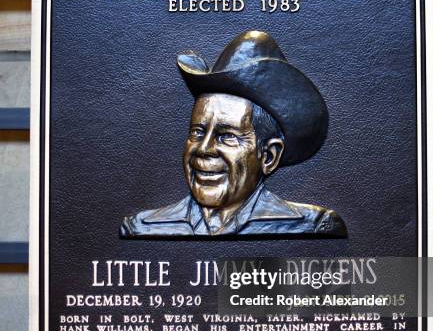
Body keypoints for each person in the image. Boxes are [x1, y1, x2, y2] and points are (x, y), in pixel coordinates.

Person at [120, 30, 346, 237]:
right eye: (197, 132)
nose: (204, 149)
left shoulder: (315, 226)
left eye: (226, 136)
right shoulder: (141, 228)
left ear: (269, 156)